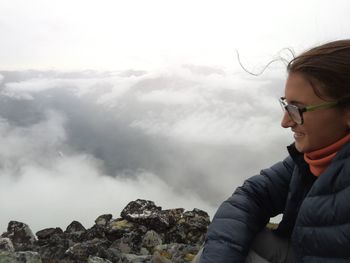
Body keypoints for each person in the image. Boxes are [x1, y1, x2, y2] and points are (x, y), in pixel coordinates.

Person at [196, 39, 350, 262]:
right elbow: (251, 195)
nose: (285, 121)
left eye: (297, 109)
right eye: (286, 106)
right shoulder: (311, 160)